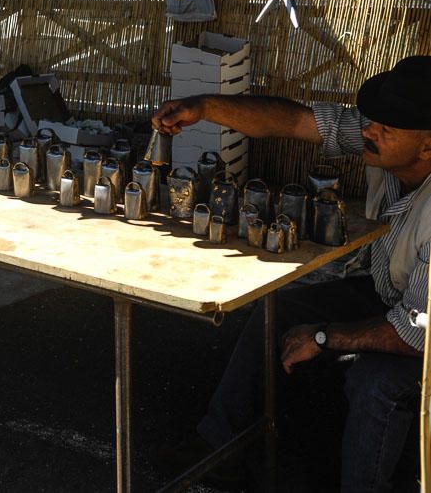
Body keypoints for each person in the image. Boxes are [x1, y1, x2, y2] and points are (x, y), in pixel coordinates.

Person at [152, 55, 430, 492]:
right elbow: (295, 121)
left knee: (375, 384)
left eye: (384, 130)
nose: (368, 132)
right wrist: (204, 107)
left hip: (425, 339)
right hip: (391, 295)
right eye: (372, 122)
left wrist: (322, 336)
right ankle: (220, 445)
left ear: (428, 146)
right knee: (279, 306)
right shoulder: (383, 139)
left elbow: (417, 336)